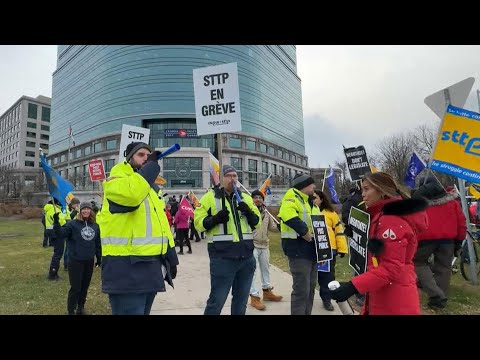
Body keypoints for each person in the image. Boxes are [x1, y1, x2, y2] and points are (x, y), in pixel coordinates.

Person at [97, 141, 179, 315]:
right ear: (129, 159)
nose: (146, 159)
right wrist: (150, 167)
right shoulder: (115, 180)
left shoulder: (150, 189)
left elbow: (161, 225)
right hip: (125, 268)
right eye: (141, 155)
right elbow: (132, 196)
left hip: (150, 266)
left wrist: (170, 255)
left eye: (148, 156)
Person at [330, 172, 428, 315]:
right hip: (387, 292)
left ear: (381, 190)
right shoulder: (382, 216)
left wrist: (353, 286)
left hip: (394, 298)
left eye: (366, 189)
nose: (362, 194)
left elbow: (391, 267)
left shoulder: (391, 220)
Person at [194, 165, 261, 315]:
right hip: (222, 258)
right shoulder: (210, 197)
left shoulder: (246, 198)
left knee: (241, 300)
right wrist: (215, 219)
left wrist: (249, 213)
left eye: (235, 176)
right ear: (221, 178)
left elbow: (258, 223)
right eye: (229, 175)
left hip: (246, 258)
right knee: (217, 300)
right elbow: (198, 224)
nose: (233, 179)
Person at [412, 175, 466, 309]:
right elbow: (461, 223)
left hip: (425, 239)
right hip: (448, 240)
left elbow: (414, 223)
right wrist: (459, 241)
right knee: (444, 268)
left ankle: (436, 294)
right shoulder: (452, 202)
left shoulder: (418, 204)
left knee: (418, 262)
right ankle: (440, 299)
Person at [278, 173, 319, 315]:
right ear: (304, 185)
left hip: (312, 250)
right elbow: (287, 215)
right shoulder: (291, 196)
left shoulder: (310, 201)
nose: (314, 187)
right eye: (311, 184)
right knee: (301, 289)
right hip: (298, 250)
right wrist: (305, 232)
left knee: (311, 287)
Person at [53, 202, 101, 315]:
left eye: (88, 209)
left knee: (85, 287)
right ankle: (71, 310)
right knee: (76, 288)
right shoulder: (72, 224)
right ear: (80, 211)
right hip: (75, 261)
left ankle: (80, 308)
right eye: (83, 209)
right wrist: (56, 223)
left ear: (91, 211)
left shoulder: (95, 226)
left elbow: (97, 243)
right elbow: (61, 234)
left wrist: (99, 258)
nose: (86, 211)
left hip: (89, 261)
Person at [313, 190, 348, 311]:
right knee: (310, 277)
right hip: (311, 250)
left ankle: (326, 299)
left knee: (327, 277)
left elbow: (339, 232)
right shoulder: (307, 211)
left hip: (328, 251)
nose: (313, 200)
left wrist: (342, 248)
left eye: (315, 198)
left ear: (322, 199)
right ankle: (307, 299)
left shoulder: (331, 213)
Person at [249, 190, 283, 311]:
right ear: (251, 199)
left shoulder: (267, 213)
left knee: (266, 270)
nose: (258, 199)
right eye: (255, 197)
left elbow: (272, 228)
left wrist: (280, 226)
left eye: (260, 197)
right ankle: (254, 296)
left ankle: (267, 292)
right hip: (252, 245)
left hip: (264, 245)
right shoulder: (248, 211)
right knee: (252, 272)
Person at [341, 186, 366, 307]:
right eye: (364, 188)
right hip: (358, 236)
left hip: (369, 237)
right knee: (359, 264)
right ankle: (360, 293)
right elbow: (345, 217)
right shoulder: (351, 200)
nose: (365, 193)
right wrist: (357, 221)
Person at [45, 198, 68, 281]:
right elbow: (62, 222)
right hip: (57, 233)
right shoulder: (55, 210)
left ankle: (53, 272)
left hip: (51, 232)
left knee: (56, 253)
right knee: (58, 254)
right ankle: (53, 273)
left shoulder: (48, 209)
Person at [63, 197, 81, 271]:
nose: (78, 206)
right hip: (69, 230)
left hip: (76, 230)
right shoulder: (67, 209)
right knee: (68, 248)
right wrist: (75, 212)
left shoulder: (76, 209)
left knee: (76, 247)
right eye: (77, 204)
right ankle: (66, 264)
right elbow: (68, 218)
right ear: (73, 204)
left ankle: (74, 262)